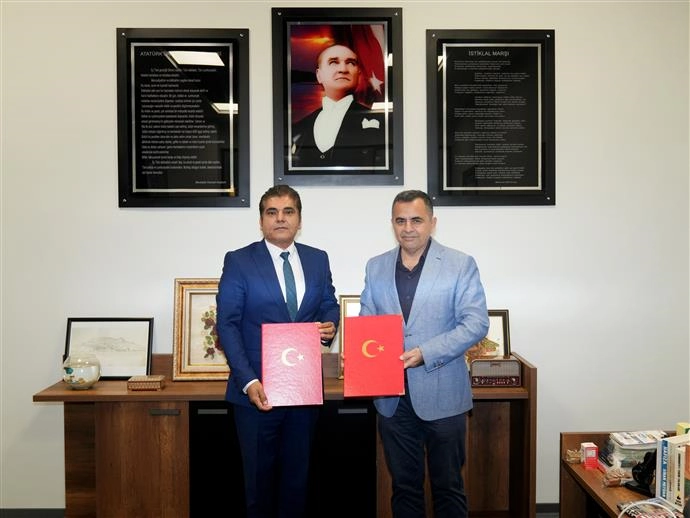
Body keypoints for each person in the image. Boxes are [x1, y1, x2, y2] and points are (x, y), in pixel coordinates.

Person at [359, 189, 489, 518]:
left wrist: (425, 352)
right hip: (392, 399)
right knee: (404, 487)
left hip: (443, 393)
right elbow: (367, 322)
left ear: (432, 222)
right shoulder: (375, 267)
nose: (408, 228)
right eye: (400, 221)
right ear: (392, 223)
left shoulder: (460, 264)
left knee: (448, 487)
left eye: (416, 220)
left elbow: (476, 323)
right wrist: (360, 355)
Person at [216, 184, 340, 518]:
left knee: (297, 483)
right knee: (259, 486)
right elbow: (228, 324)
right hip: (257, 392)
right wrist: (248, 380)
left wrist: (330, 324)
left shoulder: (318, 259)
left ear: (299, 220)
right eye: (272, 212)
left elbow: (328, 303)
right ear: (261, 221)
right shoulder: (239, 261)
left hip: (303, 390)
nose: (280, 219)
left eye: (288, 212)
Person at [290, 43, 387, 169]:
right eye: (333, 62)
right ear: (319, 75)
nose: (343, 69)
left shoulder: (382, 123)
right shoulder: (299, 127)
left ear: (358, 73)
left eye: (351, 63)